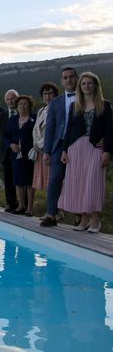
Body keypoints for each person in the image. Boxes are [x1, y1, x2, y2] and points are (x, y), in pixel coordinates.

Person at [58, 72, 112, 233]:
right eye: (83, 83)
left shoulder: (105, 105)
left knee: (94, 183)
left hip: (95, 148)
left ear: (95, 85)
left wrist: (108, 151)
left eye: (89, 83)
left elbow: (110, 130)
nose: (86, 86)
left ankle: (96, 220)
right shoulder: (75, 105)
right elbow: (68, 130)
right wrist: (64, 150)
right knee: (79, 184)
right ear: (80, 87)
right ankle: (84, 219)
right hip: (75, 148)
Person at [41, 67, 79, 227]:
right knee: (55, 180)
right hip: (58, 145)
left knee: (77, 180)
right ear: (62, 81)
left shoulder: (86, 99)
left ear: (76, 78)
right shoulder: (56, 102)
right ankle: (51, 213)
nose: (69, 80)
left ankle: (80, 216)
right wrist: (47, 151)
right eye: (65, 77)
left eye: (71, 77)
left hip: (79, 144)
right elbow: (49, 128)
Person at [3, 95, 36, 216]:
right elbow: (5, 136)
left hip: (30, 155)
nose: (22, 106)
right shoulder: (12, 120)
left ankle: (30, 208)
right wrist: (11, 145)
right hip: (16, 155)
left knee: (29, 182)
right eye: (20, 104)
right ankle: (21, 205)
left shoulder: (34, 119)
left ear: (30, 105)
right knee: (18, 181)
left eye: (25, 104)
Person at [32, 82, 60, 195]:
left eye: (50, 93)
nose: (47, 96)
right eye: (44, 94)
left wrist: (39, 143)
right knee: (46, 183)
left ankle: (56, 210)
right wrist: (35, 142)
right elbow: (35, 129)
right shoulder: (41, 111)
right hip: (40, 151)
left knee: (54, 181)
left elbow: (55, 132)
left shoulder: (58, 110)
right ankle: (50, 209)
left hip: (52, 149)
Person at [0, 89, 20, 213]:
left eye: (12, 98)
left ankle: (23, 204)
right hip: (6, 152)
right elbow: (0, 135)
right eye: (8, 99)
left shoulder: (25, 114)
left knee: (22, 180)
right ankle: (11, 203)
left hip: (21, 151)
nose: (10, 101)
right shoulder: (0, 116)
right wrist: (10, 145)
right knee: (8, 179)